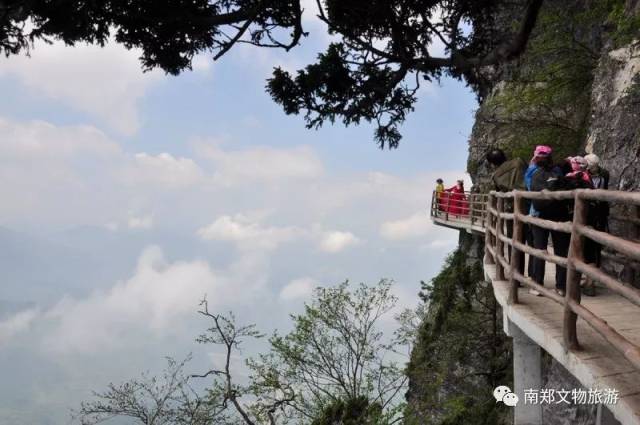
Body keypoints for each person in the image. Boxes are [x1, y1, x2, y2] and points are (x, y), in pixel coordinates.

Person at [528, 153, 571, 297]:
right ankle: (561, 287)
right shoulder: (559, 173)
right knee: (561, 251)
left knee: (540, 249)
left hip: (540, 215)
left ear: (537, 162)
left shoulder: (536, 175)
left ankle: (537, 284)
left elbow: (531, 191)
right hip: (560, 215)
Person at [486, 148, 527, 274]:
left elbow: (498, 193)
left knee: (514, 240)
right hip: (531, 204)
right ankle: (535, 276)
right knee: (535, 243)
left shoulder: (496, 176)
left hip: (512, 209)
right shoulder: (519, 162)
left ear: (492, 163)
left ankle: (516, 273)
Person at [582, 154, 610, 296]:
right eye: (591, 166)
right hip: (586, 216)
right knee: (587, 248)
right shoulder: (581, 175)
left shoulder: (605, 174)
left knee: (594, 248)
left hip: (598, 215)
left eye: (594, 165)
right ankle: (588, 280)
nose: (593, 168)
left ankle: (590, 282)